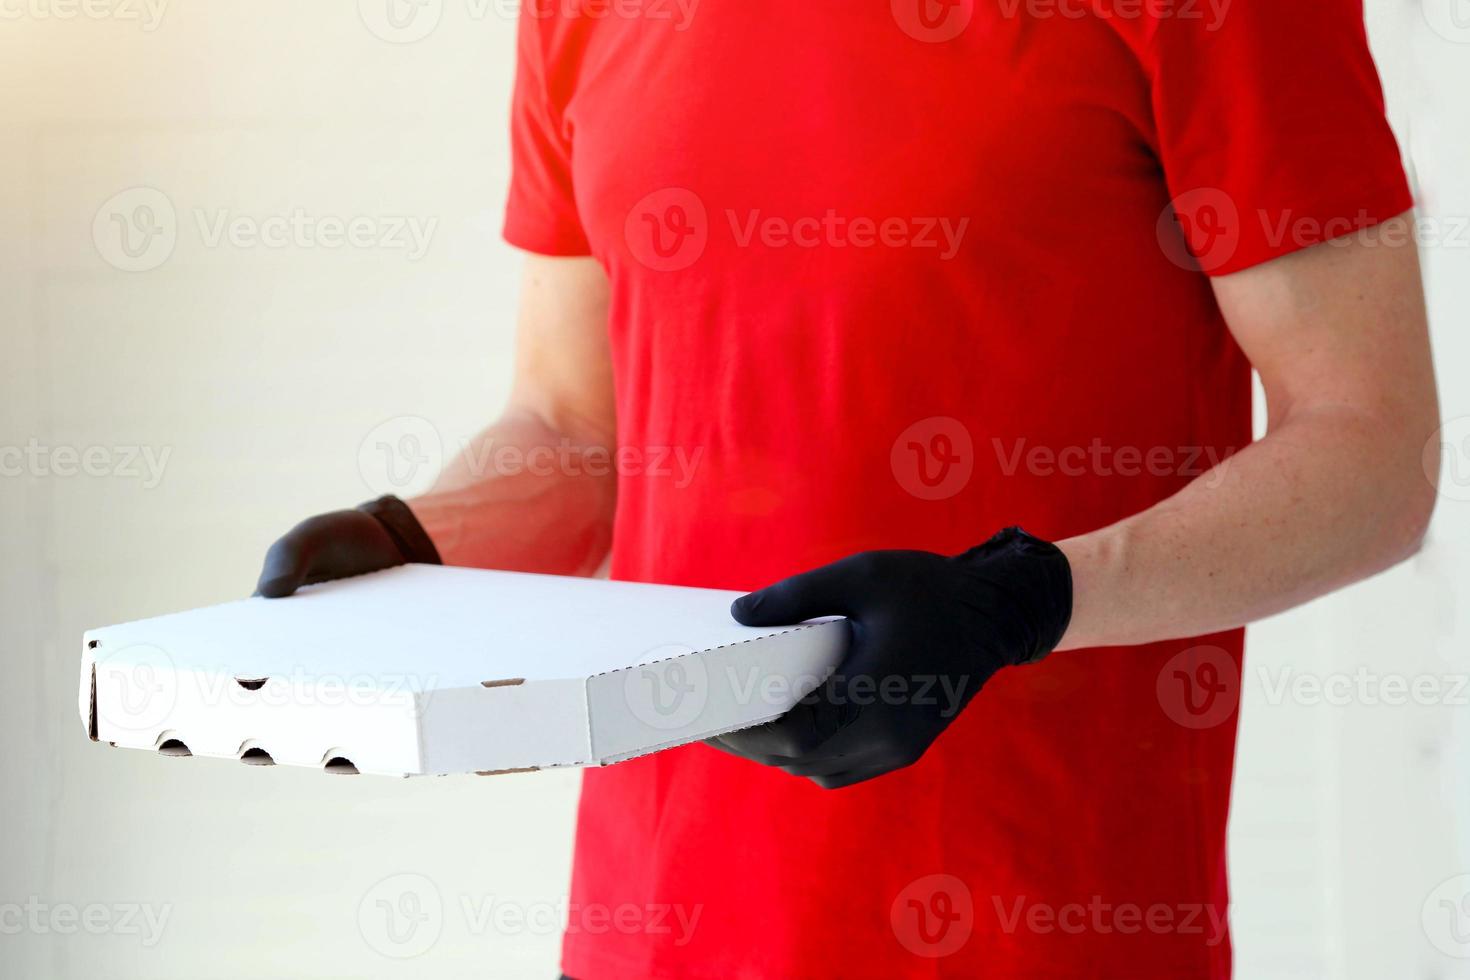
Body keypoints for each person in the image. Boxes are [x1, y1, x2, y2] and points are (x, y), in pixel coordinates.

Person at [255, 1, 1440, 976]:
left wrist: (1015, 600)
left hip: (1040, 924)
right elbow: (575, 425)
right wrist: (412, 541)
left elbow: (1373, 450)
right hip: (654, 923)